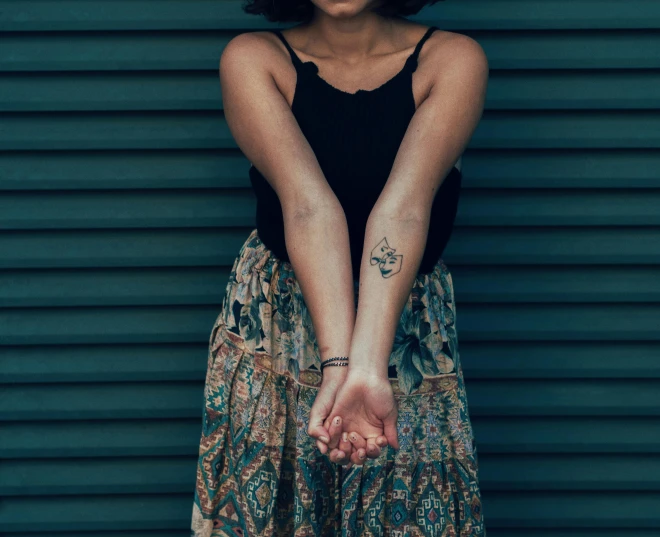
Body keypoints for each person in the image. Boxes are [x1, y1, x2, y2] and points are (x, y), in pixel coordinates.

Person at [191, 0, 488, 534]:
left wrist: (368, 369)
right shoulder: (254, 58)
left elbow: (405, 208)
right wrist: (339, 364)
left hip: (404, 330)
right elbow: (308, 207)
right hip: (279, 328)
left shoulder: (451, 60)